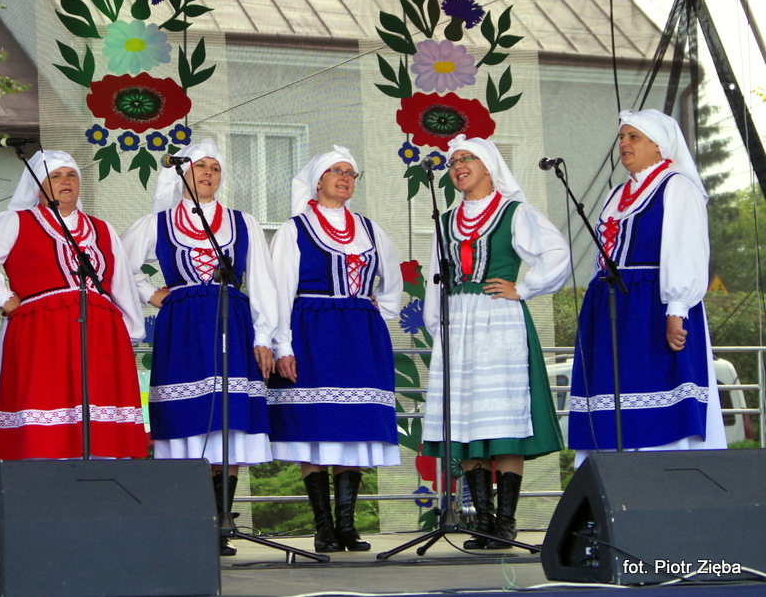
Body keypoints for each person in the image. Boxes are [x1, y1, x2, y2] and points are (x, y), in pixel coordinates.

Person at [120, 138, 276, 556]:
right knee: (189, 419)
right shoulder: (158, 223)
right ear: (182, 174)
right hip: (184, 324)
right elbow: (118, 264)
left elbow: (263, 283)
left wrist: (264, 336)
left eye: (215, 168)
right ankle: (195, 521)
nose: (208, 173)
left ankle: (223, 520)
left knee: (229, 419)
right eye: (200, 167)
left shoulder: (243, 222)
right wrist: (152, 294)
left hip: (233, 320)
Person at [421, 135, 570, 550]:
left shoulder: (514, 211)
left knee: (502, 418)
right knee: (467, 417)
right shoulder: (446, 220)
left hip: (499, 318)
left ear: (488, 166)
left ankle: (505, 523)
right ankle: (482, 521)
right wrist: (439, 327)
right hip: (459, 322)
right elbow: (436, 279)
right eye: (453, 161)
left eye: (467, 158)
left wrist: (524, 288)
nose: (458, 165)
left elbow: (556, 253)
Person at [0, 150, 148, 464]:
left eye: (72, 175)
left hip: (100, 338)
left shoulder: (102, 230)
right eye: (56, 176)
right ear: (37, 187)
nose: (66, 181)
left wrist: (127, 332)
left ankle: (97, 488)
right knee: (45, 418)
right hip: (40, 335)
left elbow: (121, 286)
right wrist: (2, 296)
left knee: (98, 422)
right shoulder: (16, 221)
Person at [569, 109, 726, 461]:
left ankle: (661, 474)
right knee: (611, 393)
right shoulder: (617, 194)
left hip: (653, 304)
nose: (624, 144)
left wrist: (677, 310)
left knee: (656, 389)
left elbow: (685, 249)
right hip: (612, 306)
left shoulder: (677, 187)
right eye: (622, 137)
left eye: (633, 137)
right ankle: (613, 477)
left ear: (659, 146)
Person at [267, 145, 402, 553]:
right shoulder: (294, 230)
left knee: (352, 426)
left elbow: (392, 282)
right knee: (315, 425)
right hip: (312, 331)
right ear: (318, 181)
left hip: (360, 336)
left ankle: (347, 526)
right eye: (336, 171)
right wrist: (282, 345)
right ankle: (323, 527)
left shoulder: (371, 230)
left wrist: (378, 311)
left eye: (350, 173)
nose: (344, 178)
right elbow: (279, 292)